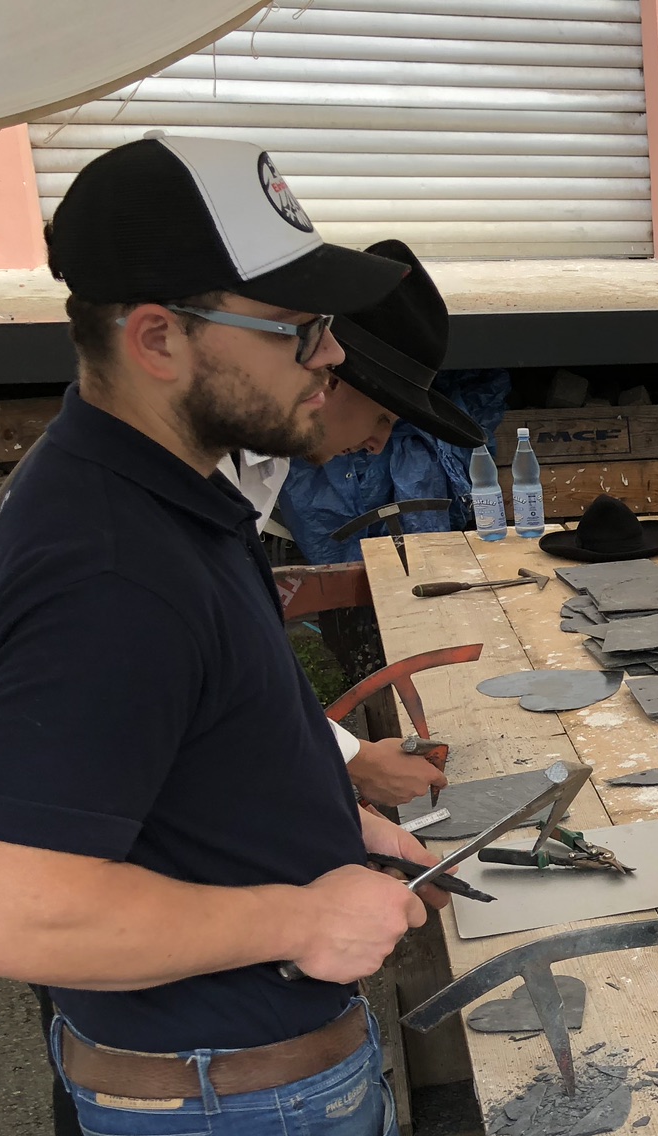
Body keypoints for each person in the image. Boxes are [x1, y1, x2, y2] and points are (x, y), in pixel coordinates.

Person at [0, 134, 445, 1136]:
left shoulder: (160, 494)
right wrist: (299, 913)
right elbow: (7, 912)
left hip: (236, 1088)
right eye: (296, 330)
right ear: (159, 336)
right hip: (237, 1107)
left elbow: (181, 756)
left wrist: (327, 818)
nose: (330, 360)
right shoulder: (107, 565)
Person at [226, 237, 490, 810]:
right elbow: (213, 675)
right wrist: (352, 763)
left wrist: (350, 763)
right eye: (382, 416)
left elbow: (242, 658)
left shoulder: (263, 464)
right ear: (330, 380)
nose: (378, 442)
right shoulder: (195, 476)